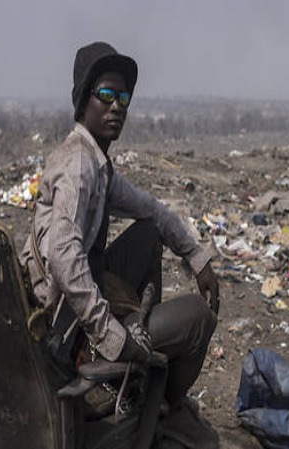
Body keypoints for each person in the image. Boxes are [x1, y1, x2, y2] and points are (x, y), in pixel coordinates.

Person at [20, 42, 219, 445]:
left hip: (77, 306)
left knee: (147, 231)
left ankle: (139, 380)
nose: (117, 107)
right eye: (105, 96)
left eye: (123, 98)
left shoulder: (96, 163)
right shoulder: (79, 165)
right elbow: (63, 255)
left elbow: (152, 211)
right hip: (66, 329)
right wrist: (112, 335)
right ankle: (158, 404)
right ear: (83, 102)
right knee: (199, 318)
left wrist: (197, 257)